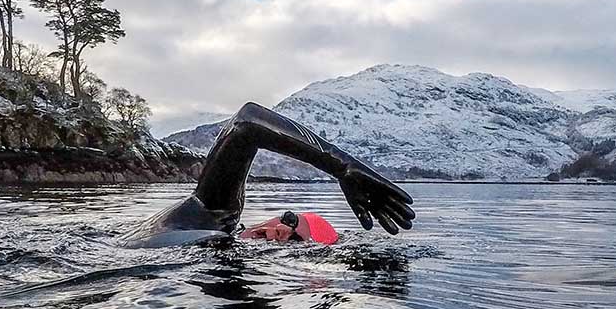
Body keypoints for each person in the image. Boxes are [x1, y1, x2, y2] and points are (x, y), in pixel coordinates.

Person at [120, 102, 415, 248]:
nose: (281, 231)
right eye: (288, 220)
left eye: (294, 240)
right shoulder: (211, 214)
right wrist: (341, 167)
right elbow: (246, 123)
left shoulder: (218, 239)